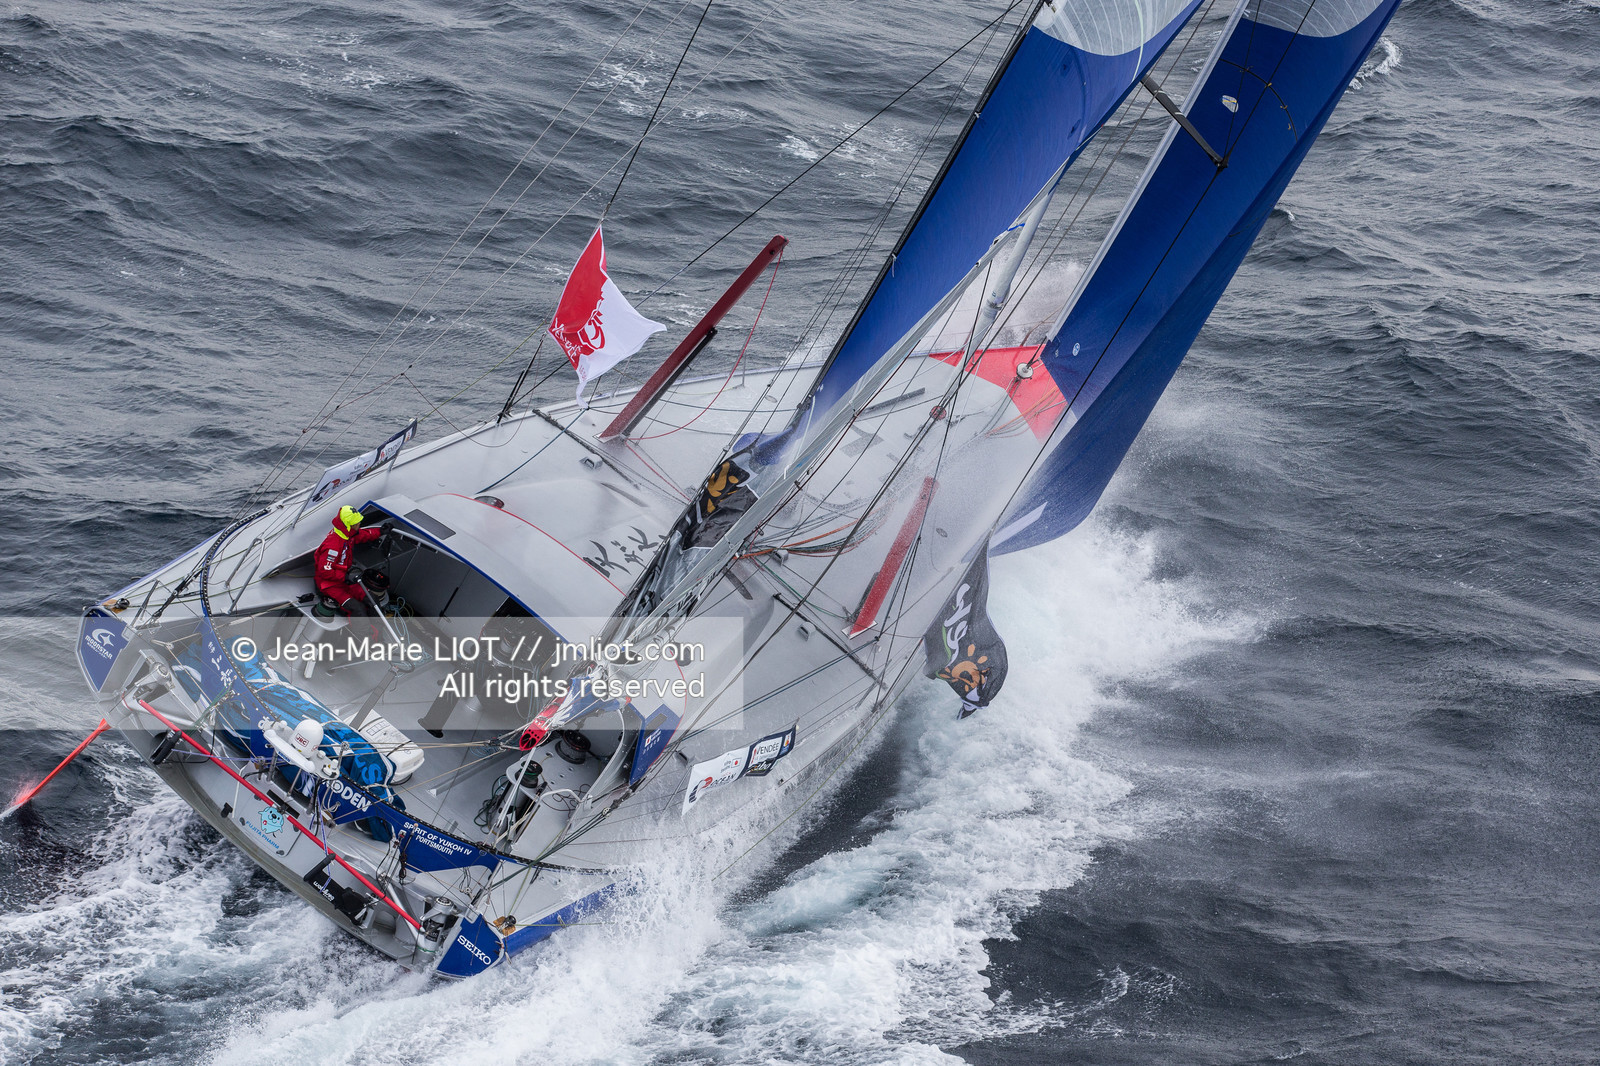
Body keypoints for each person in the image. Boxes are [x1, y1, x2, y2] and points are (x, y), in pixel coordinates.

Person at [315, 506, 382, 614]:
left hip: (344, 581)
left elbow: (362, 535)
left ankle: (377, 623)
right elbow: (325, 571)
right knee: (358, 609)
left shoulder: (347, 534)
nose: (359, 524)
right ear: (349, 525)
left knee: (372, 599)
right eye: (357, 523)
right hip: (330, 586)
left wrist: (380, 531)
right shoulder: (333, 546)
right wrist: (345, 576)